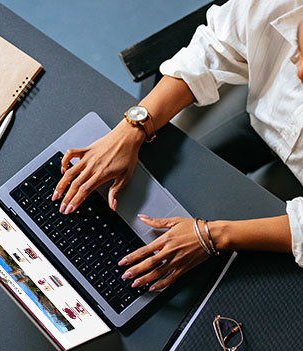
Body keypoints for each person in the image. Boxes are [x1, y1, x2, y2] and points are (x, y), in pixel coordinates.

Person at [51, 0, 303, 292]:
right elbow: (213, 48)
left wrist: (213, 236)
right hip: (261, 109)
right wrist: (133, 128)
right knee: (168, 173)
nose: (299, 74)